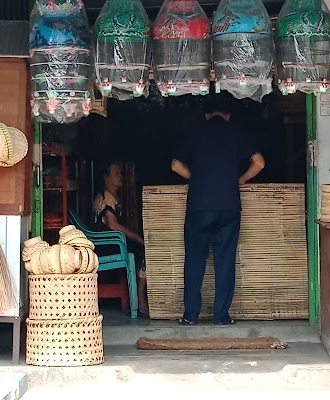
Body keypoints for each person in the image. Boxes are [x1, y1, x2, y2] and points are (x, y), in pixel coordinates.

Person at [171, 95, 265, 325]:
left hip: (199, 207)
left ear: (205, 114)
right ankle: (221, 317)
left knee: (194, 260)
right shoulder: (236, 132)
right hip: (228, 206)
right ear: (229, 114)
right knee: (225, 261)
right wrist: (240, 180)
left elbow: (175, 165)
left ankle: (190, 316)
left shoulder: (194, 132)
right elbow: (260, 162)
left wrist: (197, 179)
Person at [93, 161, 150, 317]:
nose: (121, 177)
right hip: (107, 244)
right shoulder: (106, 198)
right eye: (116, 173)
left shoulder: (111, 196)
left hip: (111, 242)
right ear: (106, 178)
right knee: (144, 252)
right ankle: (140, 298)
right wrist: (136, 236)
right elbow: (113, 225)